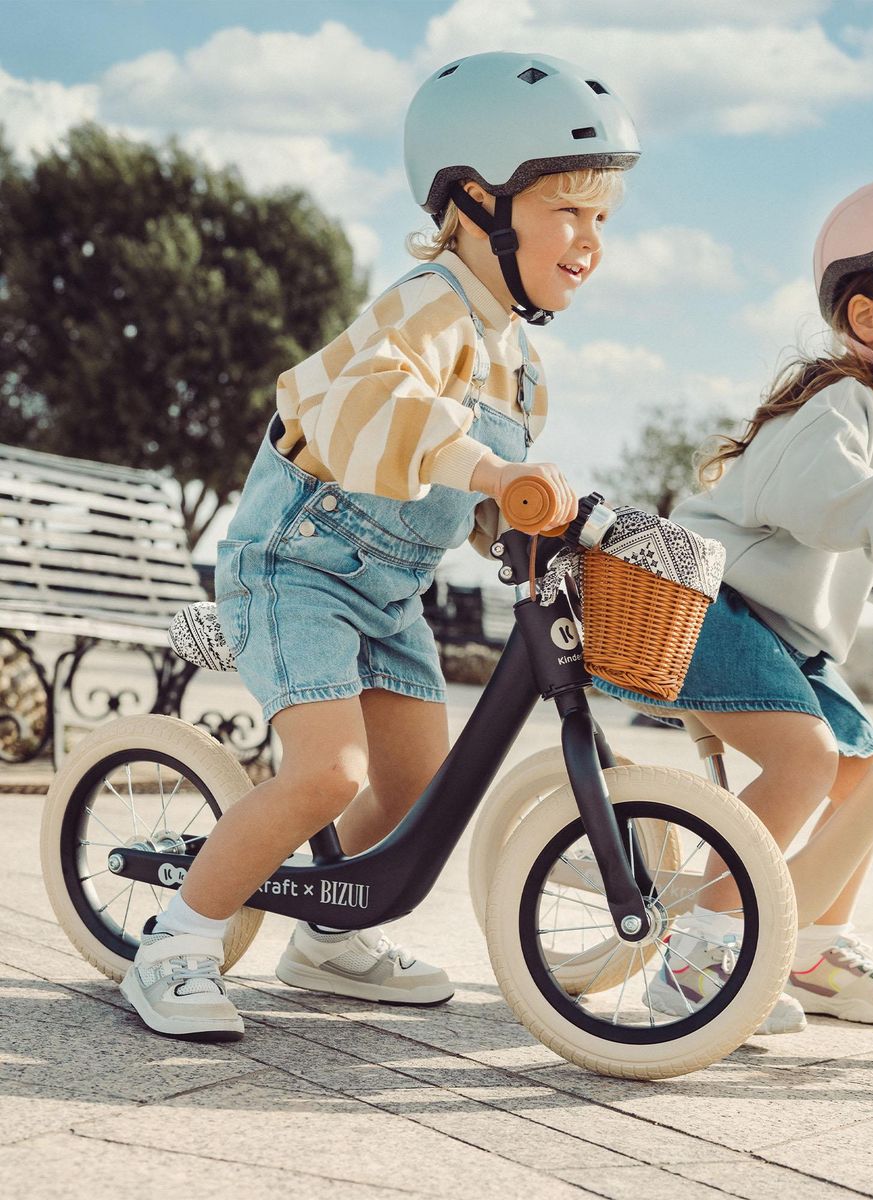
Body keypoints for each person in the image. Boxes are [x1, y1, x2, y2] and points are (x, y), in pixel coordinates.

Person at [120, 51, 639, 1041]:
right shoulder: (427, 304)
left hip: (391, 593)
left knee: (413, 786)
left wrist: (531, 517)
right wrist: (488, 475)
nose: (591, 240)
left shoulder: (523, 367)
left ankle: (324, 933)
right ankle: (177, 942)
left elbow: (486, 494)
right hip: (297, 569)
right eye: (571, 211)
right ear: (481, 200)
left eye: (603, 219)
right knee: (329, 774)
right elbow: (372, 401)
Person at [594, 178, 873, 1031]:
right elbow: (834, 504)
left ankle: (814, 942)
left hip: (791, 638)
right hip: (711, 608)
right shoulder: (831, 412)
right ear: (867, 319)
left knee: (866, 776)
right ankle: (698, 957)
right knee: (808, 764)